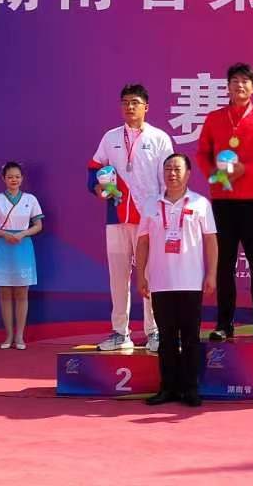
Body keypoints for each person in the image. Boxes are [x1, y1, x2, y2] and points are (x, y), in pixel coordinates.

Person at [87, 84, 173, 352]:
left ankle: (154, 332)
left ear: (146, 107)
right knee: (118, 277)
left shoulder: (159, 138)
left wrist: (165, 214)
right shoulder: (110, 137)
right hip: (117, 216)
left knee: (150, 276)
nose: (129, 107)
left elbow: (170, 177)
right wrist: (97, 187)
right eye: (125, 102)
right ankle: (119, 332)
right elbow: (94, 168)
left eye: (135, 102)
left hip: (149, 218)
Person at [196, 63, 253, 342]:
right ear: (228, 87)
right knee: (224, 265)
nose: (239, 85)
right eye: (234, 81)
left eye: (245, 81)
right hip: (223, 201)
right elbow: (202, 153)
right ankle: (224, 323)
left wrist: (246, 170)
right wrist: (214, 175)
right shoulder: (215, 118)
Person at [136, 153, 217, 407]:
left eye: (177, 169)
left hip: (191, 281)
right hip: (160, 282)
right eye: (168, 169)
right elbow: (143, 242)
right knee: (166, 339)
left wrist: (211, 274)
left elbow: (211, 241)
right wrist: (140, 275)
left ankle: (190, 389)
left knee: (191, 337)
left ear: (188, 173)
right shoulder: (151, 204)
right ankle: (168, 388)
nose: (172, 173)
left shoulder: (200, 203)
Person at [0, 162, 44, 350]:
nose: (14, 180)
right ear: (3, 179)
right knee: (5, 293)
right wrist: (4, 234)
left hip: (23, 247)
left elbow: (38, 225)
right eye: (10, 177)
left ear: (22, 178)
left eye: (17, 176)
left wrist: (23, 233)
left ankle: (20, 337)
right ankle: (8, 336)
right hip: (3, 247)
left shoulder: (30, 199)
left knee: (22, 293)